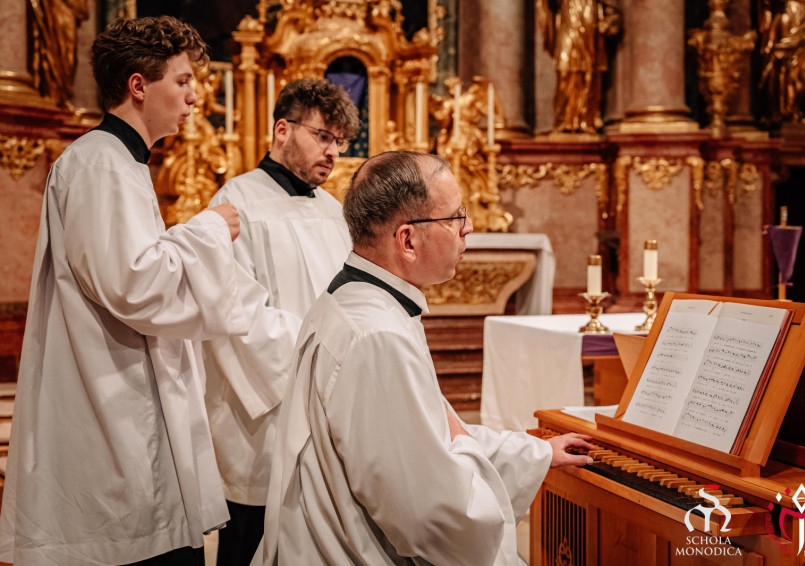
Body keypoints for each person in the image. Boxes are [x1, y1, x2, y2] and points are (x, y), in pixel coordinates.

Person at [253, 151, 594, 565]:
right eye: (455, 217)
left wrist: (535, 454)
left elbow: (429, 439)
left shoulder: (361, 300)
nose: (469, 227)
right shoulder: (378, 336)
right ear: (408, 241)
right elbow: (434, 515)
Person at [0, 16, 251, 565]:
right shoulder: (100, 164)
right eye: (182, 81)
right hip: (111, 410)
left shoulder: (120, 162)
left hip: (127, 400)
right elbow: (135, 285)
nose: (194, 96)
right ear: (139, 85)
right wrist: (209, 230)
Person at [203, 77, 359, 565]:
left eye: (340, 141)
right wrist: (318, 357)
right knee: (251, 538)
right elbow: (233, 311)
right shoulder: (235, 203)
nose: (332, 152)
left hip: (327, 401)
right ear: (282, 130)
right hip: (265, 409)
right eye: (322, 136)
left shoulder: (335, 212)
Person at [536, 0, 621, 133]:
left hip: (590, 26)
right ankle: (563, 120)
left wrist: (608, 22)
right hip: (567, 23)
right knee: (564, 73)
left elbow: (612, 8)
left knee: (589, 76)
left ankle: (586, 120)